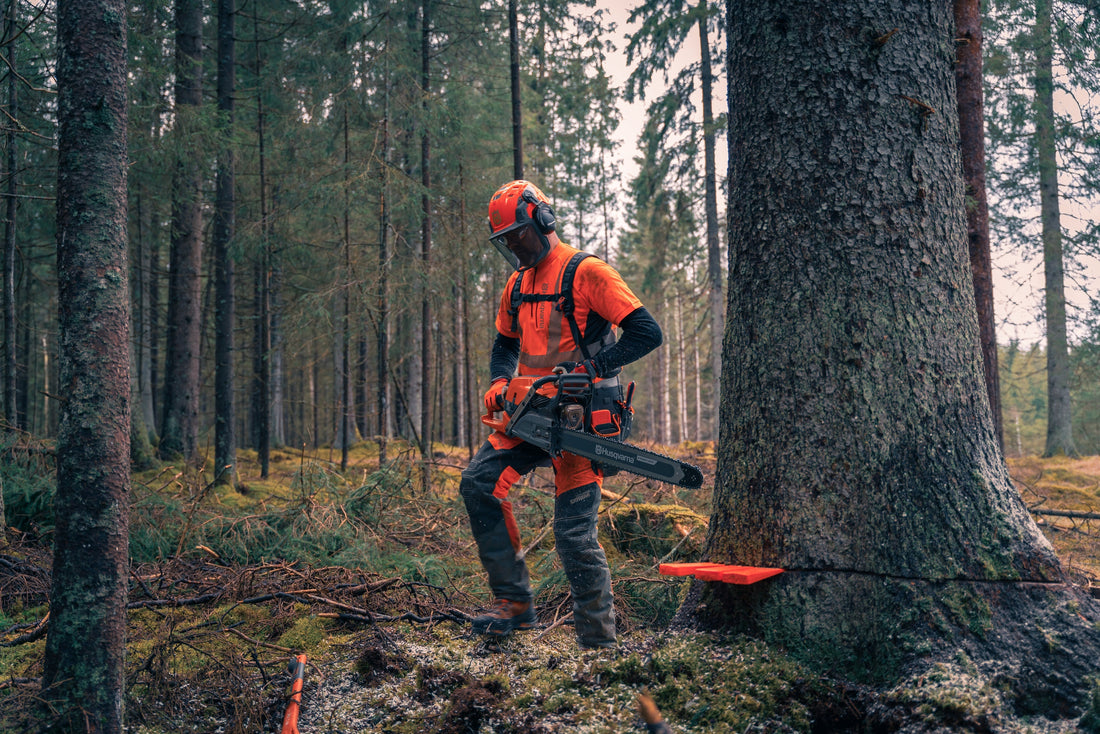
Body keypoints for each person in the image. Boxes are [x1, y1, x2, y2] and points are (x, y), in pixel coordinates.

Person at [459, 179, 663, 649]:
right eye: (505, 240)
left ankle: (598, 643)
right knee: (479, 484)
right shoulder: (517, 283)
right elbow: (504, 343)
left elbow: (646, 332)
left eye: (518, 235)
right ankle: (513, 604)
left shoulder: (587, 272)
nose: (514, 246)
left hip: (581, 420)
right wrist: (499, 381)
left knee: (573, 533)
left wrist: (589, 371)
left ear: (543, 220)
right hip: (530, 413)